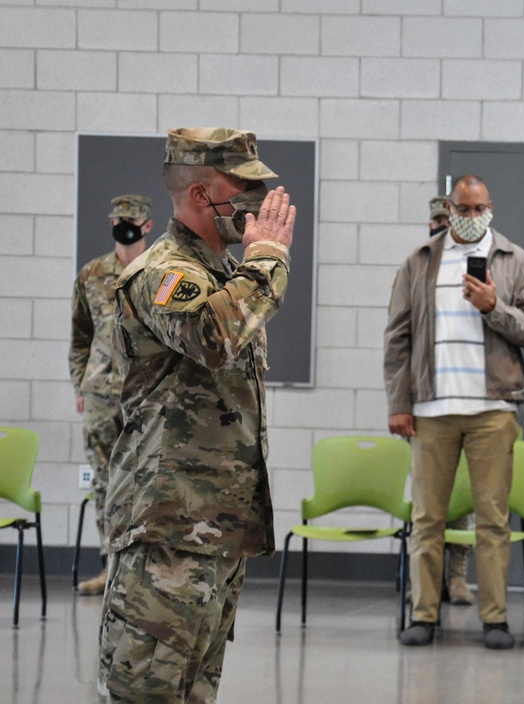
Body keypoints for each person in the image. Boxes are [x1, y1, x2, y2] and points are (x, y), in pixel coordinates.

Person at [98, 128, 296, 703]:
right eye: (246, 188)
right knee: (148, 693)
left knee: (194, 692)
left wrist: (251, 268)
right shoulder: (164, 271)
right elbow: (211, 337)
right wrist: (266, 264)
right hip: (169, 529)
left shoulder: (220, 272)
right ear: (201, 194)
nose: (260, 202)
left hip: (215, 529)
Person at [384, 174, 524, 649]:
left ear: (490, 208)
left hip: (492, 409)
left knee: (492, 520)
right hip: (432, 408)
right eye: (463, 209)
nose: (471, 218)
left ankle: (494, 620)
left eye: (478, 209)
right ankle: (423, 616)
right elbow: (398, 338)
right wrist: (399, 404)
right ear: (449, 209)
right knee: (428, 518)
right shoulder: (420, 261)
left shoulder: (516, 260)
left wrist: (493, 306)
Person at [69, 194, 153, 596]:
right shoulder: (91, 274)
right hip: (101, 394)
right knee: (104, 484)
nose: (125, 226)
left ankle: (143, 576)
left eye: (132, 220)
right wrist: (79, 384)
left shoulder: (161, 271)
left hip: (146, 394)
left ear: (148, 225)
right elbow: (80, 337)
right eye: (119, 219)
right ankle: (111, 569)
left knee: (147, 483)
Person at [427, 194, 475, 607]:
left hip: (468, 399)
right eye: (436, 224)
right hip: (429, 403)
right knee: (429, 505)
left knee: (465, 499)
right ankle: (425, 585)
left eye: (449, 222)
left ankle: (457, 577)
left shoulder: (473, 268)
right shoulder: (418, 268)